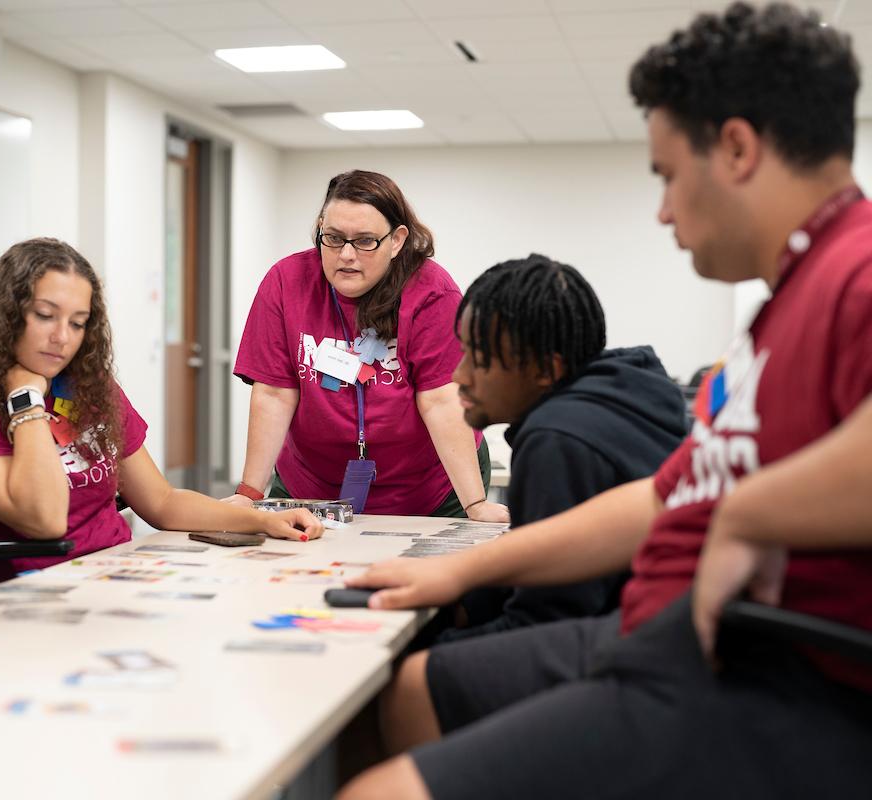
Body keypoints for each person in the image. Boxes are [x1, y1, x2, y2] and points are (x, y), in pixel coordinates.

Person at [339, 4, 872, 797]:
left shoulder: (855, 271)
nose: (662, 209)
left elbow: (737, 503)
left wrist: (750, 513)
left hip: (761, 676)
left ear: (735, 148)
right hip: (664, 642)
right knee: (412, 696)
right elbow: (665, 497)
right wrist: (451, 577)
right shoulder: (786, 301)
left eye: (665, 174)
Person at [0, 238, 321, 585]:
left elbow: (161, 502)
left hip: (119, 575)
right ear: (5, 317)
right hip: (39, 594)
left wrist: (263, 520)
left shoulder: (92, 391)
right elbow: (45, 520)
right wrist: (26, 400)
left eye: (78, 323)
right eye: (45, 316)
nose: (62, 338)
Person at [228, 170, 508, 521]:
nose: (346, 255)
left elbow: (441, 400)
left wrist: (475, 505)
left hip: (431, 485)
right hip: (313, 483)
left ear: (397, 240)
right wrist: (249, 494)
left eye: (364, 241)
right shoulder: (286, 282)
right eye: (333, 238)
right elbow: (274, 394)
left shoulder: (432, 291)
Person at [440, 255, 685, 642]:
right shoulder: (624, 392)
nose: (459, 375)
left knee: (403, 676)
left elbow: (543, 623)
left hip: (630, 646)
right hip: (647, 626)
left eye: (480, 359)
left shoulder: (558, 440)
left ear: (546, 371)